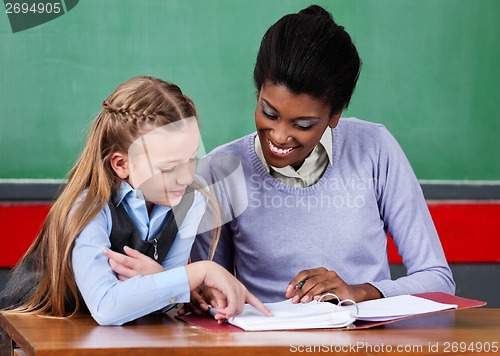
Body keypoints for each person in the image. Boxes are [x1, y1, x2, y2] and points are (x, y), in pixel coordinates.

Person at [186, 5, 455, 311]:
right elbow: (213, 290)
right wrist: (207, 298)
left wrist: (360, 292)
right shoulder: (220, 171)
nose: (279, 135)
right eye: (268, 112)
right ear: (258, 91)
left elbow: (438, 279)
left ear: (335, 115)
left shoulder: (374, 147)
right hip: (266, 342)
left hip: (368, 343)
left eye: (303, 125)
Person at [0, 76, 270, 326]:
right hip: (32, 332)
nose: (186, 178)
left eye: (191, 160)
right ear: (122, 164)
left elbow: (161, 300)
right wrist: (198, 273)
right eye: (167, 169)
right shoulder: (88, 206)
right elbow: (107, 305)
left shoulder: (190, 202)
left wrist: (163, 281)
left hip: (100, 336)